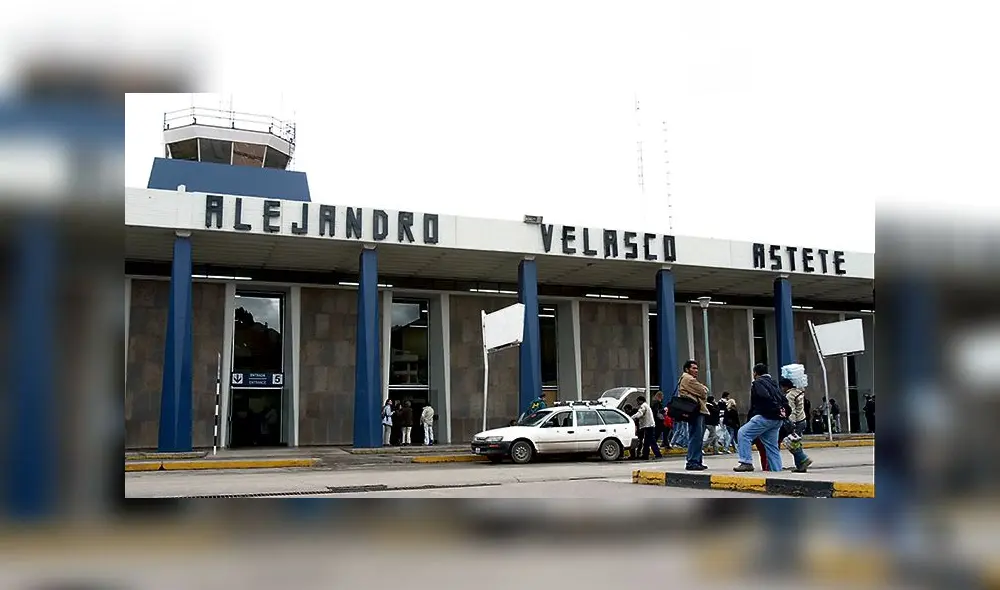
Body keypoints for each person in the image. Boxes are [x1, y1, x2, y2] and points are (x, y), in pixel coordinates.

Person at [734, 363, 785, 472]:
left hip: (765, 416)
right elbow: (784, 400)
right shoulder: (774, 384)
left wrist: (769, 409)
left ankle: (746, 462)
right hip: (777, 419)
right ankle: (776, 471)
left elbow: (763, 396)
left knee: (743, 433)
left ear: (755, 373)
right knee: (772, 447)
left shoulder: (758, 383)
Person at [677, 359, 710, 471]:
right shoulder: (688, 379)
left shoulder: (686, 378)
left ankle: (697, 460)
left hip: (696, 410)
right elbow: (704, 392)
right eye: (693, 368)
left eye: (697, 368)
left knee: (697, 437)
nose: (696, 370)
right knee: (696, 437)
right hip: (696, 410)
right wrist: (703, 389)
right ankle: (693, 461)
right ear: (687, 369)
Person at [779, 377, 813, 472]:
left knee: (792, 444)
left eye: (782, 387)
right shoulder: (799, 392)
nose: (781, 389)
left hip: (796, 422)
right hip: (802, 420)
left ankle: (804, 459)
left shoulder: (790, 395)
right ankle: (800, 466)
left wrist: (791, 424)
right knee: (796, 443)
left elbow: (791, 411)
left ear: (785, 387)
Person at [631, 395, 662, 460]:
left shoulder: (643, 406)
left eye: (638, 401)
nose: (637, 403)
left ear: (641, 401)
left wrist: (631, 418)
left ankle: (656, 454)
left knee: (650, 441)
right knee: (647, 441)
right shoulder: (646, 405)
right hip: (649, 425)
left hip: (648, 426)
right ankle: (646, 455)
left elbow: (639, 414)